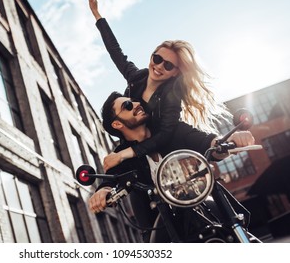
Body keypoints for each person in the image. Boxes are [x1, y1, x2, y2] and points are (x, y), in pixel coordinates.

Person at [88, 0, 231, 171]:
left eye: (168, 65)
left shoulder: (172, 94)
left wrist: (224, 142)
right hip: (134, 145)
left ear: (176, 72)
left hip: (162, 149)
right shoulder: (136, 77)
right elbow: (115, 52)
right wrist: (98, 16)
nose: (159, 66)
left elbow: (166, 134)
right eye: (157, 58)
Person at [88, 92, 255, 242]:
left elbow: (207, 142)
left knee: (241, 232)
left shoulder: (172, 130)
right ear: (117, 124)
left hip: (201, 201)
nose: (136, 104)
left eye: (134, 100)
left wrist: (229, 141)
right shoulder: (120, 155)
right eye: (127, 105)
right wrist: (103, 191)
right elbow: (113, 178)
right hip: (160, 223)